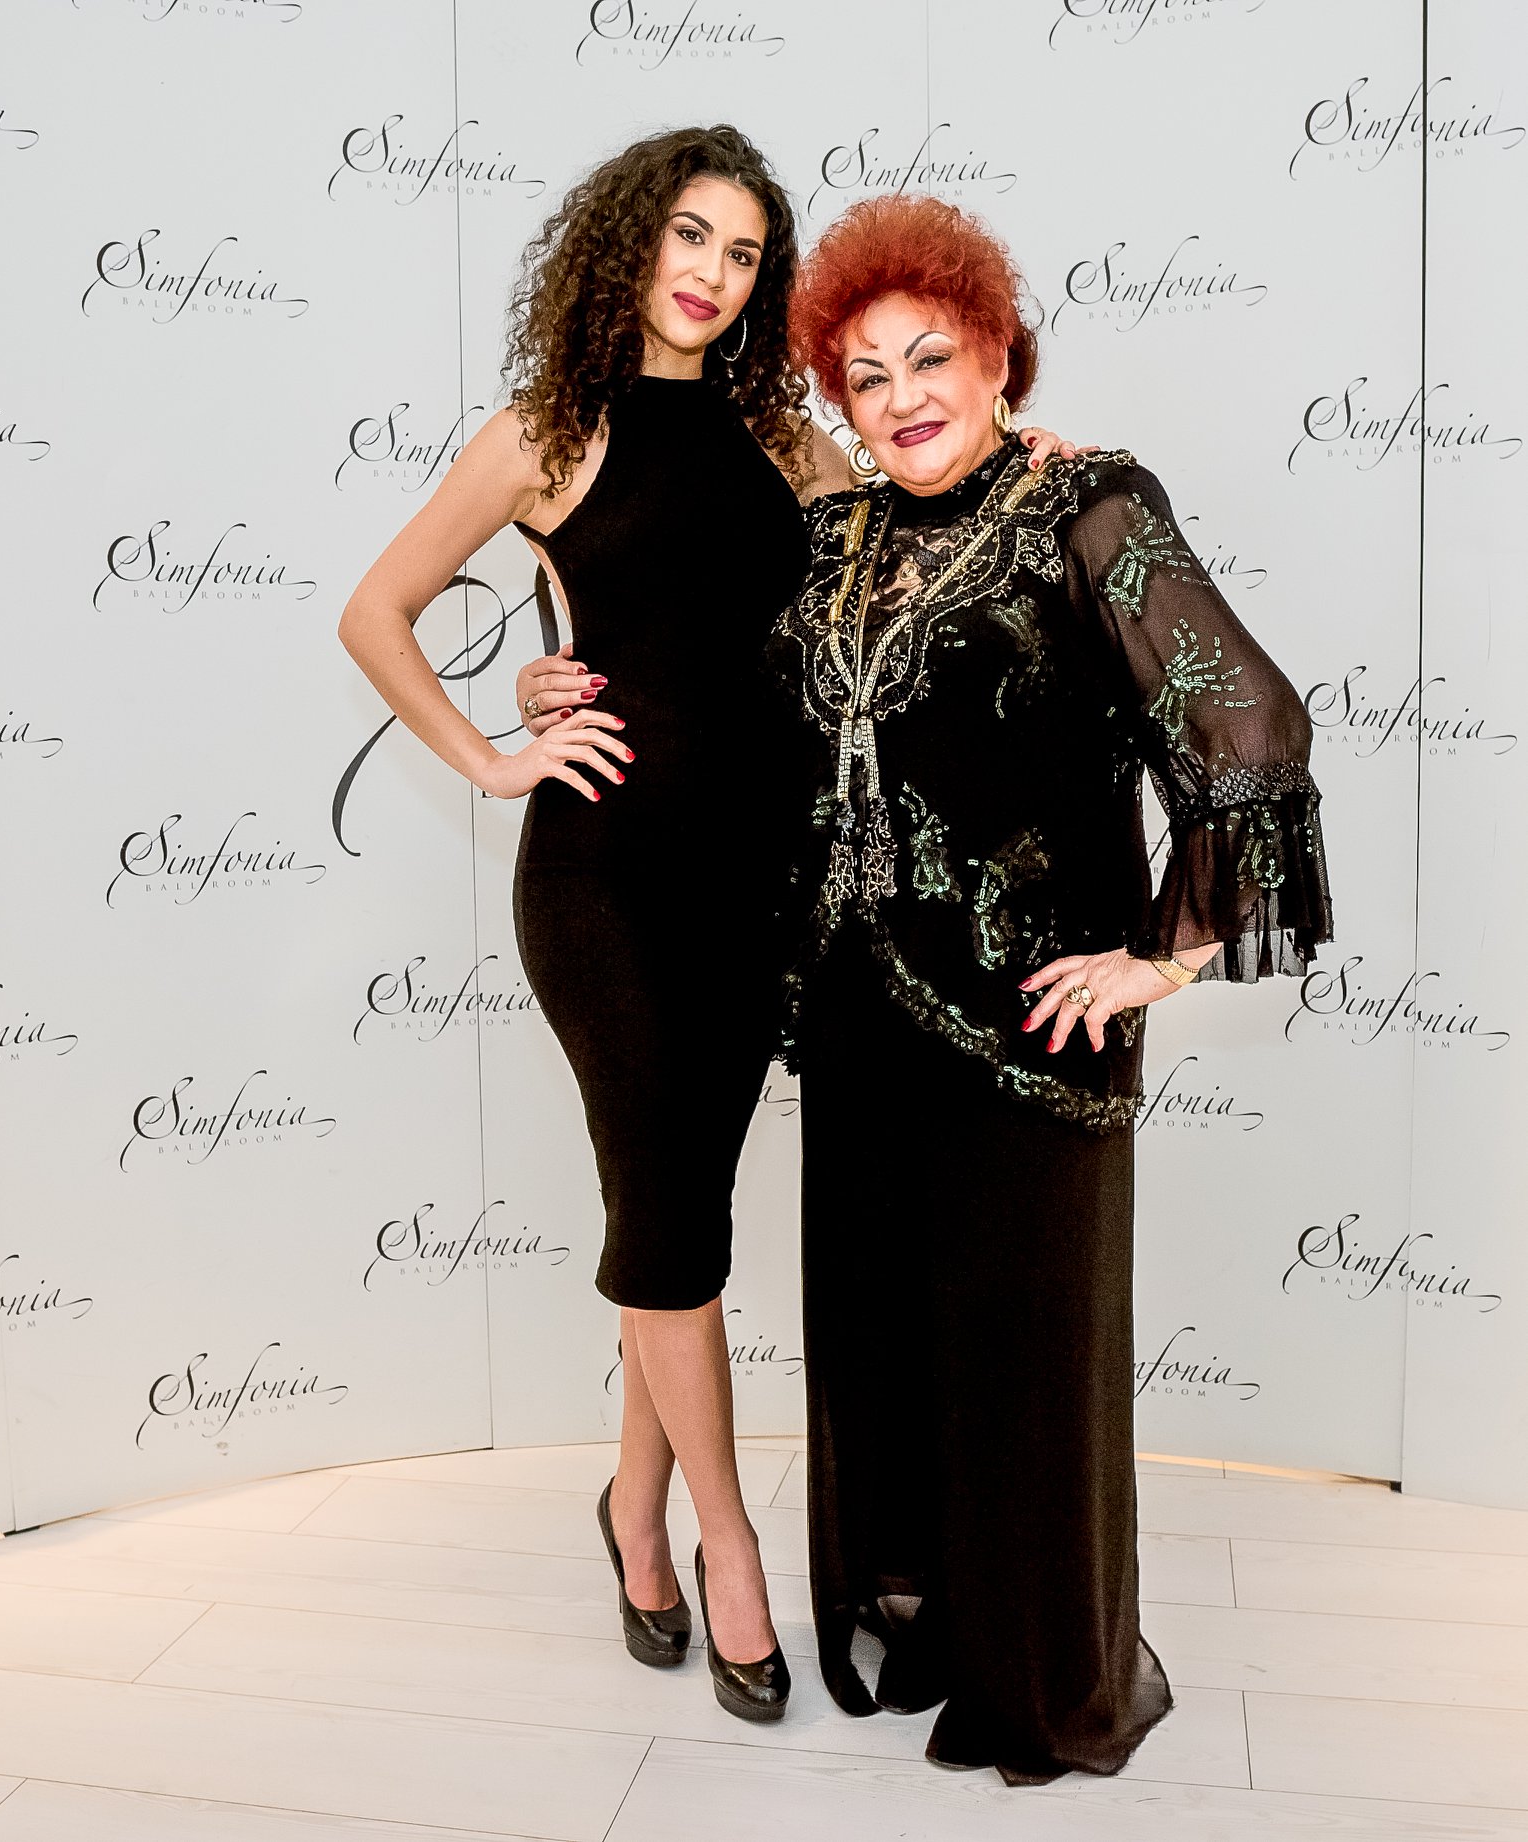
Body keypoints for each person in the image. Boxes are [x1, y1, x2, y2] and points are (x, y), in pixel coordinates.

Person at [343, 125, 1083, 1724]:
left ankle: (630, 1508)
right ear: (627, 238)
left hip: (762, 894)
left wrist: (1040, 464)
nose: (712, 272)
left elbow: (928, 510)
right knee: (670, 1228)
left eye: (743, 253)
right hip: (603, 883)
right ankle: (723, 1544)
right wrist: (496, 748)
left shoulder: (784, 441)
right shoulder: (542, 434)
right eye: (690, 234)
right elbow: (373, 609)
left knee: (670, 1222)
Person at [760, 193, 1334, 1783]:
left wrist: (1164, 954)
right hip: (863, 1014)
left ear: (998, 353)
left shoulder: (1089, 503)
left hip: (1029, 1020)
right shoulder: (837, 535)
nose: (901, 397)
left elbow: (1245, 721)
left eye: (929, 357)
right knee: (889, 1341)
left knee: (1025, 1359)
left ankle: (1041, 1682)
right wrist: (547, 675)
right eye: (865, 376)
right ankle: (935, 1624)